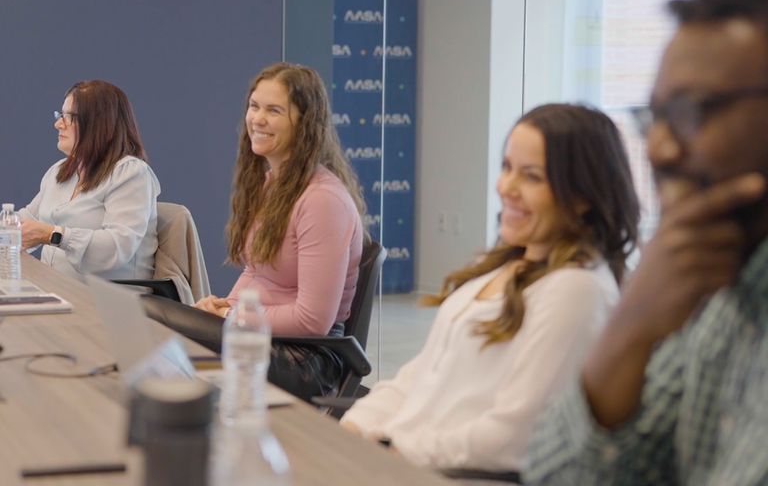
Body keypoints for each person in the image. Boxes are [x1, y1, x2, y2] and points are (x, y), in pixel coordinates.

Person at [524, 0, 768, 486]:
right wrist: (630, 325)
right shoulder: (709, 286)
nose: (657, 147)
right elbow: (557, 477)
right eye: (655, 116)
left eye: (691, 111)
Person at [339, 103, 640, 473]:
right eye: (507, 167)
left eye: (531, 177)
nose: (506, 187)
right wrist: (356, 426)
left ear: (582, 196)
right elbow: (421, 378)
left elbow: (514, 439)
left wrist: (392, 449)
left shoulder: (577, 290)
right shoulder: (507, 266)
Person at [193, 62, 365, 399]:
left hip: (306, 357)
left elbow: (312, 320)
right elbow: (257, 272)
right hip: (264, 338)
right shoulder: (271, 184)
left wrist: (231, 316)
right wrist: (224, 308)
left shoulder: (322, 201)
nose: (257, 119)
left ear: (304, 123)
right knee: (171, 321)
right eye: (254, 106)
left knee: (160, 319)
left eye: (273, 110)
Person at [18, 80, 160, 283]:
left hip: (109, 303)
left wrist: (52, 235)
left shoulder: (130, 173)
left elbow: (117, 248)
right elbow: (25, 221)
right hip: (57, 291)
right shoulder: (59, 171)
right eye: (61, 116)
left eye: (69, 117)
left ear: (98, 123)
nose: (58, 124)